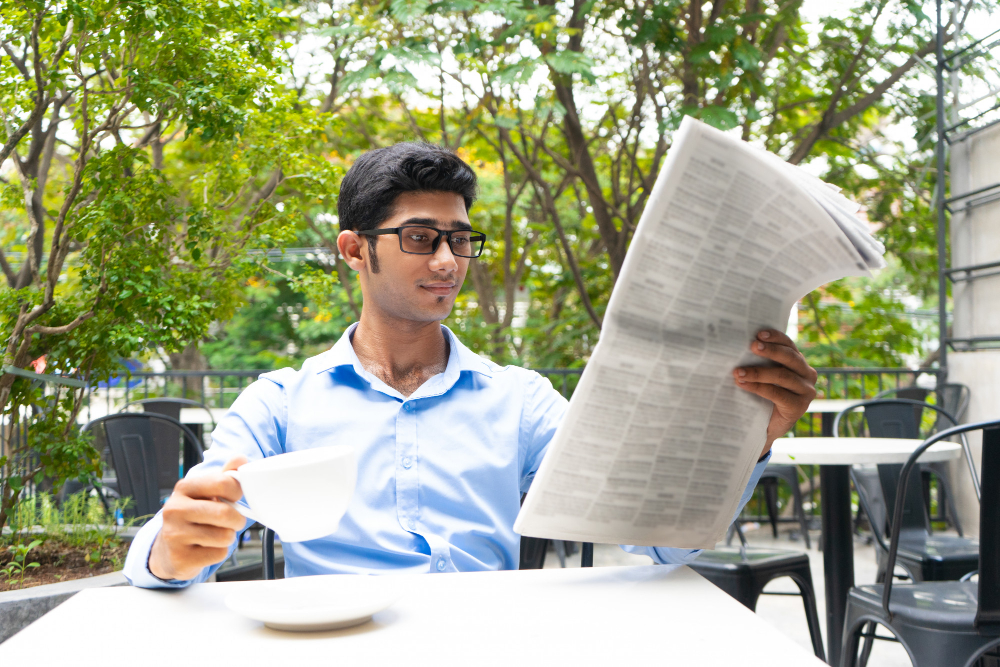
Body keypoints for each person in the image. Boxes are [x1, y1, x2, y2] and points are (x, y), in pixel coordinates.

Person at [123, 143, 818, 587]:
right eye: (419, 238)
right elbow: (173, 550)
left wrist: (747, 441)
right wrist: (170, 551)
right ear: (355, 250)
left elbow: (659, 542)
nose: (447, 261)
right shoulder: (281, 402)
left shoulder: (521, 401)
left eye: (459, 239)